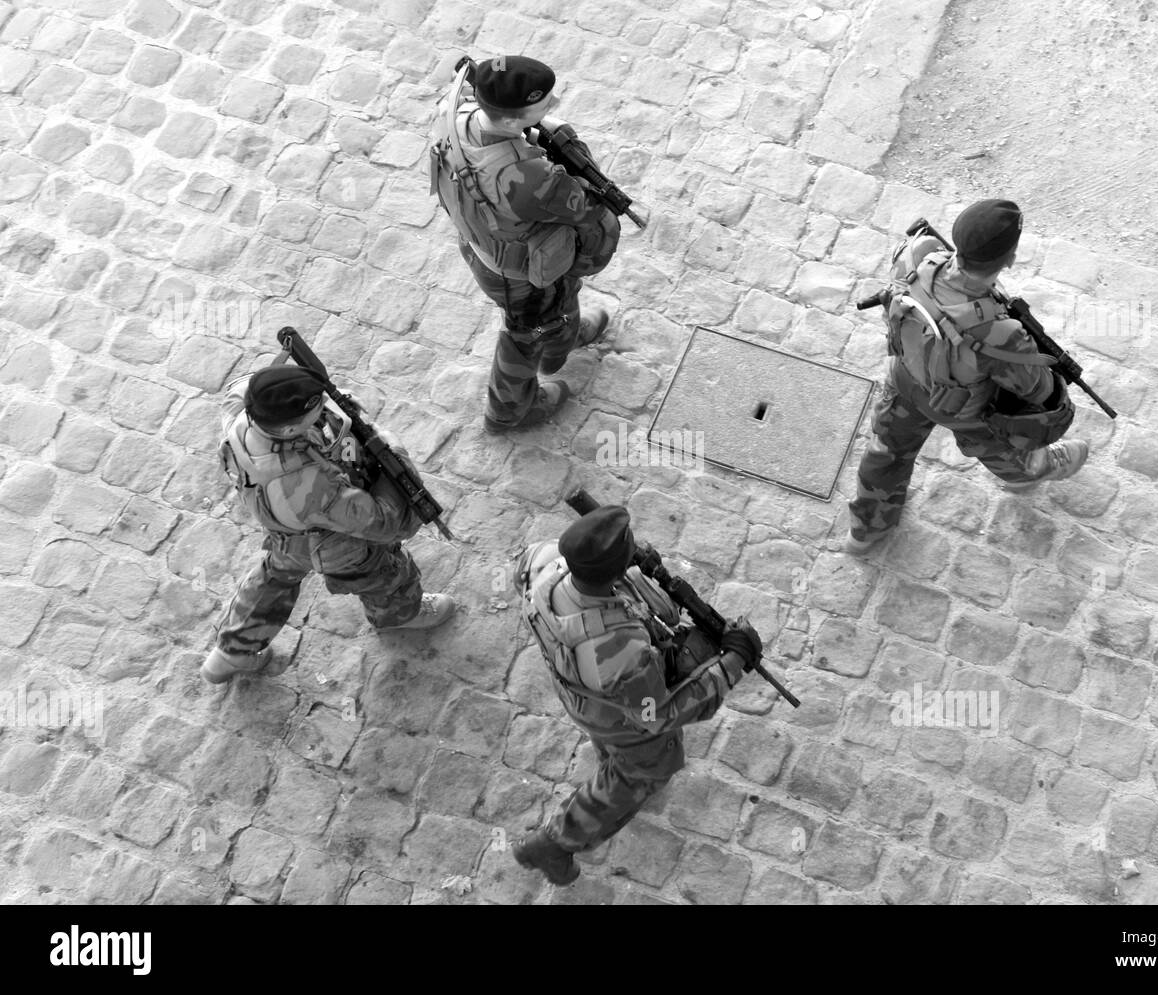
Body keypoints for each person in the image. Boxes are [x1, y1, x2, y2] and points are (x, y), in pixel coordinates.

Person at [511, 506, 760, 885]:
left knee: (611, 736)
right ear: (613, 571)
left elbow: (523, 570)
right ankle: (555, 842)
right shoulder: (620, 651)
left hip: (578, 683)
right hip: (614, 705)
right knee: (647, 763)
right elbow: (657, 715)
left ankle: (610, 755)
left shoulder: (547, 559)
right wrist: (732, 664)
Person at [847, 199, 1088, 553]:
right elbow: (1038, 392)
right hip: (959, 409)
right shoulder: (1001, 333)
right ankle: (1029, 469)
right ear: (1010, 259)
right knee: (1001, 437)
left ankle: (867, 529)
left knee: (886, 452)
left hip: (903, 376)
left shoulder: (916, 253)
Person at [201, 364, 456, 684]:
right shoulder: (309, 482)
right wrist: (390, 449)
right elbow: (385, 524)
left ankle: (233, 651)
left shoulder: (242, 408)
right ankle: (398, 614)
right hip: (334, 540)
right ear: (290, 430)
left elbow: (252, 384)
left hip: (286, 532)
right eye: (316, 407)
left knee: (276, 574)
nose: (325, 404)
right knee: (383, 573)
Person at [430, 54, 621, 433]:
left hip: (482, 242)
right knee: (525, 331)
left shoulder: (454, 111)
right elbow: (584, 207)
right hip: (517, 271)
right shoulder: (530, 177)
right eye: (545, 104)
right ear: (515, 120)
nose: (553, 105)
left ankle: (563, 334)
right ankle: (509, 410)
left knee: (558, 298)